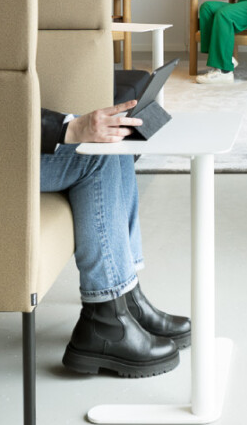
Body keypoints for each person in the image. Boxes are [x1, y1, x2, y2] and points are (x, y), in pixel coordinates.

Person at [41, 98, 191, 378]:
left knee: (113, 141)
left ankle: (128, 300)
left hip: (1, 137)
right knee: (96, 155)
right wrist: (68, 130)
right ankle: (105, 319)